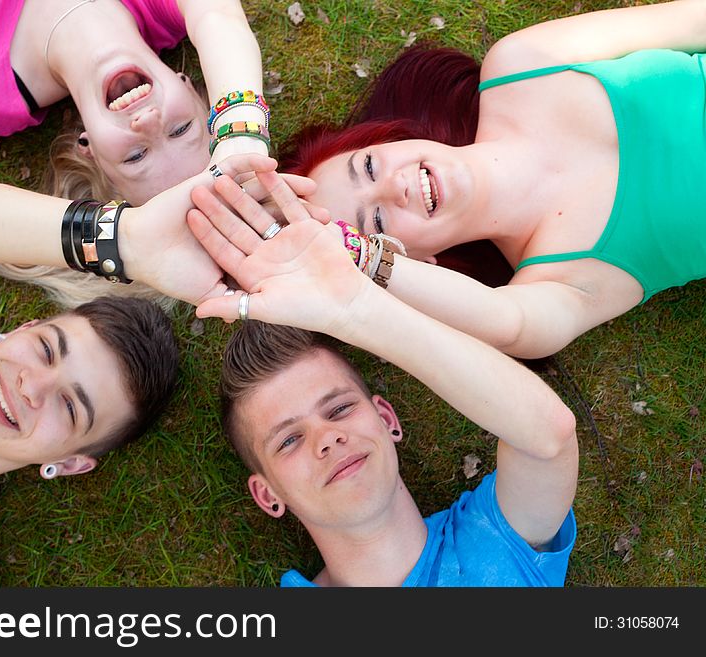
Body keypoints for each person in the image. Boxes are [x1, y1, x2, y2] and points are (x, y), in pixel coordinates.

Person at [0, 153, 279, 586]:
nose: (32, 386)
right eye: (45, 350)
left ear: (69, 463)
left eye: (69, 405)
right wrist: (124, 240)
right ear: (19, 329)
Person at [186, 169, 578, 586]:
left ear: (387, 420)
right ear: (269, 495)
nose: (328, 438)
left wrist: (356, 310)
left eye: (339, 408)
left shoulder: (496, 539)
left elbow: (548, 438)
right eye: (289, 440)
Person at [280, 0, 706, 360]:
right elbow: (507, 324)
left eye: (369, 166)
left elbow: (693, 19)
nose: (395, 187)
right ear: (417, 263)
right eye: (376, 224)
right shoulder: (550, 285)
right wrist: (355, 262)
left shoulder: (520, 62)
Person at [0, 0, 267, 205]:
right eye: (181, 129)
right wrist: (242, 129)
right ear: (190, 84)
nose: (148, 123)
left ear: (87, 146)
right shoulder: (168, 7)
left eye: (135, 157)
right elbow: (219, 19)